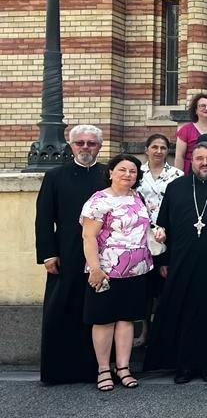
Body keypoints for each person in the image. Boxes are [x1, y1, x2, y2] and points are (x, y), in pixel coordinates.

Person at [144, 142, 207, 383]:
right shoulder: (176, 187)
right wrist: (164, 260)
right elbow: (163, 225)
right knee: (184, 312)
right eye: (200, 158)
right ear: (191, 161)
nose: (205, 163)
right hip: (181, 260)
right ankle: (184, 366)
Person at [35, 124, 107, 385]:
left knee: (95, 310)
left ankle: (94, 370)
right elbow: (44, 218)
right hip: (65, 251)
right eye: (80, 143)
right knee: (61, 309)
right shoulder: (55, 176)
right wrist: (48, 254)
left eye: (91, 143)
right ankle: (58, 371)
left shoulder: (107, 175)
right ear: (71, 145)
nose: (86, 147)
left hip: (103, 253)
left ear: (99, 146)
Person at [79, 154, 152, 391]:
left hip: (137, 270)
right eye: (122, 170)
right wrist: (96, 268)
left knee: (126, 319)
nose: (128, 175)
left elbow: (145, 229)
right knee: (104, 320)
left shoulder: (138, 197)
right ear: (110, 172)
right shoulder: (98, 201)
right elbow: (88, 236)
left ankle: (123, 368)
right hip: (106, 270)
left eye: (132, 171)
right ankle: (103, 369)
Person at [135, 133, 184, 346]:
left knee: (165, 284)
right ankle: (145, 331)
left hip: (169, 235)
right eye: (154, 146)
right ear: (147, 149)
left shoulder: (177, 174)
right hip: (140, 236)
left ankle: (165, 332)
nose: (158, 151)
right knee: (145, 288)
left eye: (163, 147)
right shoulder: (136, 173)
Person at [175, 93, 207, 173]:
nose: (206, 108)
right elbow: (179, 156)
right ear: (195, 110)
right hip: (191, 172)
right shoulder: (186, 130)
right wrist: (179, 177)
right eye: (202, 106)